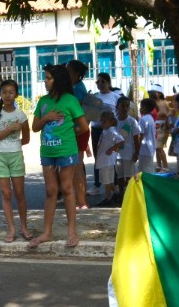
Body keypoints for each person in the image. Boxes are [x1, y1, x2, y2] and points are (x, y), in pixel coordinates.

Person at [29, 63, 90, 247]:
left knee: (67, 188)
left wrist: (69, 135)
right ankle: (47, 232)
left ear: (59, 80)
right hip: (47, 152)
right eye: (45, 78)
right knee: (51, 191)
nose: (45, 81)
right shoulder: (43, 102)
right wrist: (46, 118)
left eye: (48, 78)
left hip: (66, 153)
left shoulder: (70, 100)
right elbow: (34, 127)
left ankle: (72, 232)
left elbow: (84, 126)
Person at [0, 78, 32, 242]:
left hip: (16, 155)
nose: (7, 95)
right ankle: (11, 229)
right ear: (0, 94)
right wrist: (10, 130)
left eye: (11, 92)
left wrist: (13, 143)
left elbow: (26, 139)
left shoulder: (20, 115)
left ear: (16, 95)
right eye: (4, 92)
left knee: (20, 193)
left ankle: (24, 226)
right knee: (6, 193)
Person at [90, 73, 123, 191]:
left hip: (110, 130)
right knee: (97, 156)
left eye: (103, 82)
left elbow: (121, 113)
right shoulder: (94, 97)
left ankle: (114, 183)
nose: (100, 84)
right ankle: (97, 184)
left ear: (109, 83)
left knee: (111, 156)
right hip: (96, 128)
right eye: (98, 82)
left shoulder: (115, 97)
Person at [66, 60, 91, 207]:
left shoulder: (76, 89)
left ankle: (81, 201)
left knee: (76, 167)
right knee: (77, 166)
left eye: (68, 71)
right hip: (79, 130)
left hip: (77, 130)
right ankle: (80, 200)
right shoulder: (79, 87)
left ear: (76, 73)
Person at [112, 96, 143, 200]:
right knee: (120, 175)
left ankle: (130, 195)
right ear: (117, 107)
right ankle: (121, 194)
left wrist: (136, 152)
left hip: (128, 154)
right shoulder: (114, 122)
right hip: (117, 154)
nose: (125, 108)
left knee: (129, 176)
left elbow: (137, 137)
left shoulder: (132, 122)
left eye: (127, 106)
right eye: (122, 106)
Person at [93, 111, 127, 206]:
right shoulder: (106, 131)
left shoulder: (112, 131)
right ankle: (118, 195)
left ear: (111, 122)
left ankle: (107, 198)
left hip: (107, 161)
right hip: (103, 160)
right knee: (108, 181)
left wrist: (112, 149)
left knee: (107, 181)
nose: (102, 123)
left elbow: (121, 141)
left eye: (104, 121)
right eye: (101, 121)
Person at [137, 97, 158, 174]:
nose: (140, 109)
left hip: (144, 150)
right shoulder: (151, 118)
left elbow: (140, 135)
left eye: (141, 107)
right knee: (148, 170)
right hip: (150, 149)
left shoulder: (143, 119)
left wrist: (137, 149)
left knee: (144, 172)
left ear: (145, 108)